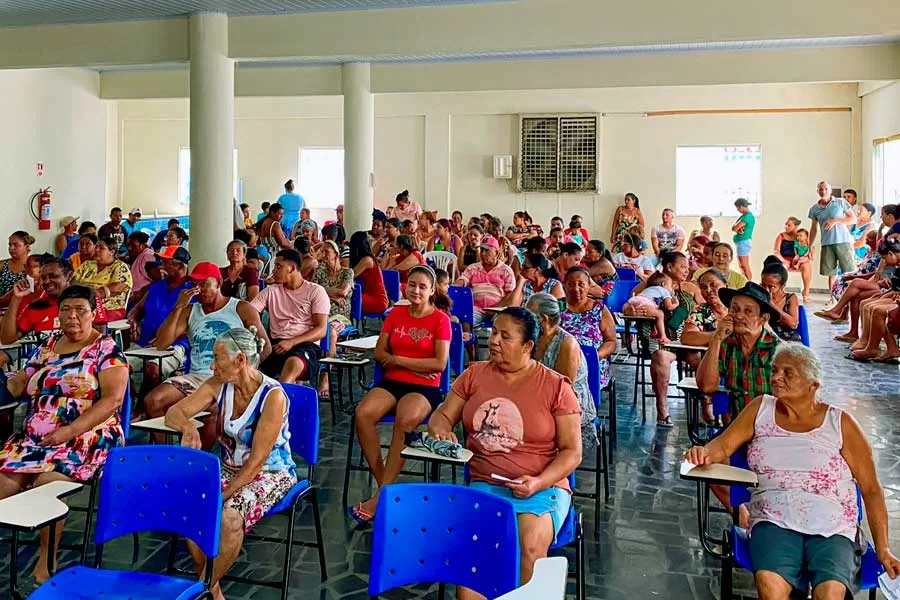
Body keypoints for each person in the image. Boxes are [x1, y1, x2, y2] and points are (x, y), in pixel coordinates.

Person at [683, 343, 900, 599]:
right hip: (774, 517)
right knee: (771, 586)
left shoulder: (840, 423)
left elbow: (872, 489)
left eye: (788, 373)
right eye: (775, 370)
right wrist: (703, 452)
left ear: (813, 385)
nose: (776, 377)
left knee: (830, 593)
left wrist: (883, 548)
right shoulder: (760, 408)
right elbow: (722, 446)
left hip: (833, 524)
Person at [427, 309, 581, 597]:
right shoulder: (474, 374)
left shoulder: (556, 386)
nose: (493, 340)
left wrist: (537, 481)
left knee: (530, 547)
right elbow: (441, 417)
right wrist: (442, 430)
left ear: (527, 347)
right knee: (474, 562)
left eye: (504, 336)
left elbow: (572, 453)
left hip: (540, 486)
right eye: (494, 332)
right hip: (486, 482)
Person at [0, 284, 129, 583]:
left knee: (47, 483)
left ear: (93, 313)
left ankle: (47, 561)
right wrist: (14, 379)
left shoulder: (105, 348)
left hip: (86, 435)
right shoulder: (47, 346)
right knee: (4, 483)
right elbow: (19, 384)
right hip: (34, 439)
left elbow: (113, 400)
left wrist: (68, 430)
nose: (72, 316)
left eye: (80, 310)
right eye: (66, 310)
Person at [164, 326, 296, 600]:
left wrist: (222, 496)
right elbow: (174, 412)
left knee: (229, 518)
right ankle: (212, 591)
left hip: (271, 473)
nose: (211, 364)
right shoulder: (218, 384)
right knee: (191, 505)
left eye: (217, 357)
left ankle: (200, 589)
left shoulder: (273, 396)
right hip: (230, 468)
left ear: (240, 361)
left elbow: (256, 463)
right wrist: (188, 427)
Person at [350, 265, 451, 523]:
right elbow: (380, 354)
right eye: (412, 285)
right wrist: (408, 363)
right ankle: (386, 487)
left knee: (405, 420)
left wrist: (398, 360)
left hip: (425, 387)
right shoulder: (395, 314)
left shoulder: (440, 320)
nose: (416, 290)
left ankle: (379, 497)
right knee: (363, 414)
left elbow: (439, 364)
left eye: (423, 287)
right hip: (393, 381)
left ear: (431, 291)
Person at [145, 262, 270, 449]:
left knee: (212, 411)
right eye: (195, 284)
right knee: (153, 401)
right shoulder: (190, 310)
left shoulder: (241, 308)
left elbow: (265, 348)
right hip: (196, 376)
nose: (199, 289)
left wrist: (243, 374)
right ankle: (171, 455)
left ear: (218, 283)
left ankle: (199, 460)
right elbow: (162, 344)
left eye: (204, 284)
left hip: (229, 377)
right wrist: (178, 308)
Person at [650, 268, 729, 424]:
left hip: (730, 359)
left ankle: (720, 415)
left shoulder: (736, 309)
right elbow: (688, 337)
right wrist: (718, 336)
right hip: (700, 357)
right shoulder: (700, 310)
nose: (708, 290)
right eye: (704, 287)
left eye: (714, 285)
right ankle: (663, 410)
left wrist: (705, 338)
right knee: (661, 355)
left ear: (725, 285)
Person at [526, 293, 598, 451]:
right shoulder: (533, 339)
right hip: (539, 403)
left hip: (567, 412)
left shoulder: (567, 344)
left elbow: (563, 393)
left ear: (543, 320)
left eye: (529, 316)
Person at [696, 282, 780, 411]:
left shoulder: (777, 350)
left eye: (748, 311)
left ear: (763, 318)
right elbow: (706, 387)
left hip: (770, 425)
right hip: (737, 424)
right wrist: (716, 340)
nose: (739, 316)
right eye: (734, 309)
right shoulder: (726, 344)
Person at [249, 250, 329, 385]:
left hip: (305, 345)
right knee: (249, 367)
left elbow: (321, 330)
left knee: (293, 363)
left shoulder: (315, 291)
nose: (274, 271)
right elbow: (250, 311)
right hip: (276, 345)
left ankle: (281, 396)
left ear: (291, 268)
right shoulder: (271, 291)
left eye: (278, 266)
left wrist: (292, 342)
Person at [126, 247, 192, 398]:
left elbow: (194, 324)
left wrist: (169, 335)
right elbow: (138, 308)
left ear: (180, 266)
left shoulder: (191, 290)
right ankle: (129, 404)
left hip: (174, 345)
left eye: (166, 262)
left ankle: (143, 409)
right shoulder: (157, 286)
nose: (161, 265)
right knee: (117, 366)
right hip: (144, 343)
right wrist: (133, 319)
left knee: (152, 369)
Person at [815, 237, 900, 342]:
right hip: (885, 287)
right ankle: (854, 333)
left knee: (856, 283)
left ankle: (837, 311)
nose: (884, 261)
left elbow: (894, 287)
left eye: (884, 258)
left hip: (886, 288)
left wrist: (883, 287)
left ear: (891, 254)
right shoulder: (893, 263)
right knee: (856, 296)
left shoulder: (895, 263)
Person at [560, 268, 617, 390]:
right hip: (561, 362)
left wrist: (594, 357)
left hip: (592, 364)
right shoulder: (557, 307)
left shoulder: (600, 309)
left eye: (581, 284)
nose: (576, 288)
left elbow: (611, 341)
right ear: (564, 285)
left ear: (589, 286)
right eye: (571, 284)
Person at [0, 257, 74, 345]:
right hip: (42, 357)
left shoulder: (85, 302)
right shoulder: (37, 307)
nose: (46, 281)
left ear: (69, 276)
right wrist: (16, 298)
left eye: (53, 276)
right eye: (43, 278)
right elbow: (7, 339)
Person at [313, 240, 354, 397]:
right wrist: (331, 294)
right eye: (322, 252)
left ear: (336, 255)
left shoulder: (347, 272)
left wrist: (325, 293)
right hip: (320, 313)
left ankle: (326, 378)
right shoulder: (321, 270)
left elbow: (343, 292)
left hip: (340, 316)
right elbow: (312, 290)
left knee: (331, 332)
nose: (323, 256)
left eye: (327, 253)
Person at [455, 235, 516, 326]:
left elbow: (511, 295)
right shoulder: (473, 268)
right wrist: (453, 286)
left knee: (503, 323)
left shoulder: (506, 270)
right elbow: (462, 280)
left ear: (496, 252)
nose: (483, 254)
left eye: (487, 250)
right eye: (482, 250)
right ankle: (469, 338)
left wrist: (495, 308)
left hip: (498, 310)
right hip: (476, 309)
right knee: (465, 319)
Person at [808, 181, 856, 288]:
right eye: (821, 189)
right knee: (831, 273)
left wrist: (836, 220)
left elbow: (853, 219)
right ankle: (833, 298)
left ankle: (849, 297)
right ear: (817, 191)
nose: (823, 191)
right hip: (827, 242)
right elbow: (813, 229)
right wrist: (809, 245)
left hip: (843, 241)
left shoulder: (840, 202)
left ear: (830, 190)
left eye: (826, 189)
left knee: (849, 270)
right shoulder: (814, 209)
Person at [73, 237, 133, 321]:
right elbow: (73, 282)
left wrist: (92, 295)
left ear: (111, 252)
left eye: (101, 248)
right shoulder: (87, 265)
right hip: (82, 304)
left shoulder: (119, 266)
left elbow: (118, 287)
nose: (96, 250)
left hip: (108, 308)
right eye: (96, 246)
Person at [623, 271, 679, 344]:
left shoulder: (647, 289)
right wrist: (676, 304)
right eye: (670, 286)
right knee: (660, 314)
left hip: (635, 299)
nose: (671, 289)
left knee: (653, 314)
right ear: (664, 284)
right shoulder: (664, 290)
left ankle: (653, 330)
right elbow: (668, 307)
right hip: (646, 303)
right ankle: (663, 336)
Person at [760, 257, 801, 342]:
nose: (766, 290)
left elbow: (793, 324)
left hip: (786, 339)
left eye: (771, 287)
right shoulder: (758, 295)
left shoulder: (790, 298)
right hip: (763, 337)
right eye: (763, 285)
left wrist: (771, 305)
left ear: (782, 286)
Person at [349, 231, 389, 315]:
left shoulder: (367, 260)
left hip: (377, 301)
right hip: (368, 296)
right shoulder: (366, 258)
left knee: (348, 298)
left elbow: (351, 275)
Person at [773, 217, 812, 302]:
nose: (786, 226)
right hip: (785, 259)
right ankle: (779, 292)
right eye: (786, 225)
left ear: (796, 226)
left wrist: (806, 257)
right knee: (782, 266)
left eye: (789, 225)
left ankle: (806, 292)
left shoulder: (803, 235)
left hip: (798, 259)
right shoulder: (781, 236)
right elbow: (776, 251)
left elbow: (810, 248)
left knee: (806, 265)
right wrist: (784, 261)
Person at [0, 230, 33, 301]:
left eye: (15, 245)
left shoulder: (32, 267)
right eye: (10, 245)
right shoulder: (2, 265)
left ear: (26, 247)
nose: (11, 248)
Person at [127, 231, 156, 305]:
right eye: (128, 245)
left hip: (141, 299)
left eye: (133, 245)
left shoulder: (147, 256)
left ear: (143, 245)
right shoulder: (139, 255)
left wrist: (140, 293)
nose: (129, 248)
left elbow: (156, 280)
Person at [731, 198, 755, 280]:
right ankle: (745, 282)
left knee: (744, 266)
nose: (737, 210)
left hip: (743, 242)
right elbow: (734, 227)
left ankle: (749, 283)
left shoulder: (748, 216)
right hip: (741, 242)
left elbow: (735, 228)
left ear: (741, 206)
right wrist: (736, 227)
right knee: (742, 266)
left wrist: (736, 227)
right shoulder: (744, 216)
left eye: (737, 208)